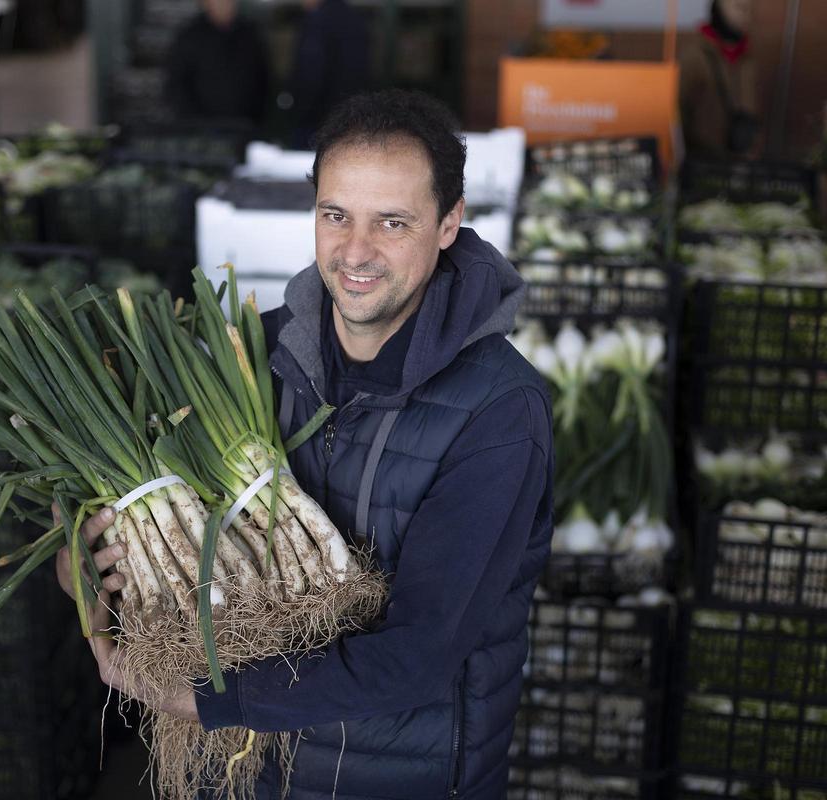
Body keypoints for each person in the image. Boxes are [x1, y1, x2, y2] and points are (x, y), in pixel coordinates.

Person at [56, 89, 554, 799]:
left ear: (449, 224)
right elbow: (146, 518)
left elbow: (419, 657)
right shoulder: (244, 354)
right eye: (335, 215)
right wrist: (87, 562)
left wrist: (203, 700)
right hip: (240, 769)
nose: (356, 251)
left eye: (392, 222)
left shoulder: (501, 413)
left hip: (398, 778)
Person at [165, 0, 269, 126]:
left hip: (245, 126)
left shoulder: (250, 34)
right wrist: (192, 120)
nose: (224, 4)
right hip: (201, 128)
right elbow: (176, 84)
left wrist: (257, 119)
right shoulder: (190, 36)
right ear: (206, 3)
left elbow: (263, 80)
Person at [679, 0, 759, 159]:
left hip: (738, 157)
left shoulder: (748, 58)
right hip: (701, 158)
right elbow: (678, 111)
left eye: (749, 9)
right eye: (738, 6)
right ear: (718, 8)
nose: (745, 15)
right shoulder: (694, 55)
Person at [288, 0, 370, 149]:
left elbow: (311, 76)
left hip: (318, 121)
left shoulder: (318, 21)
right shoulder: (354, 18)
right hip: (347, 116)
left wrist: (299, 113)